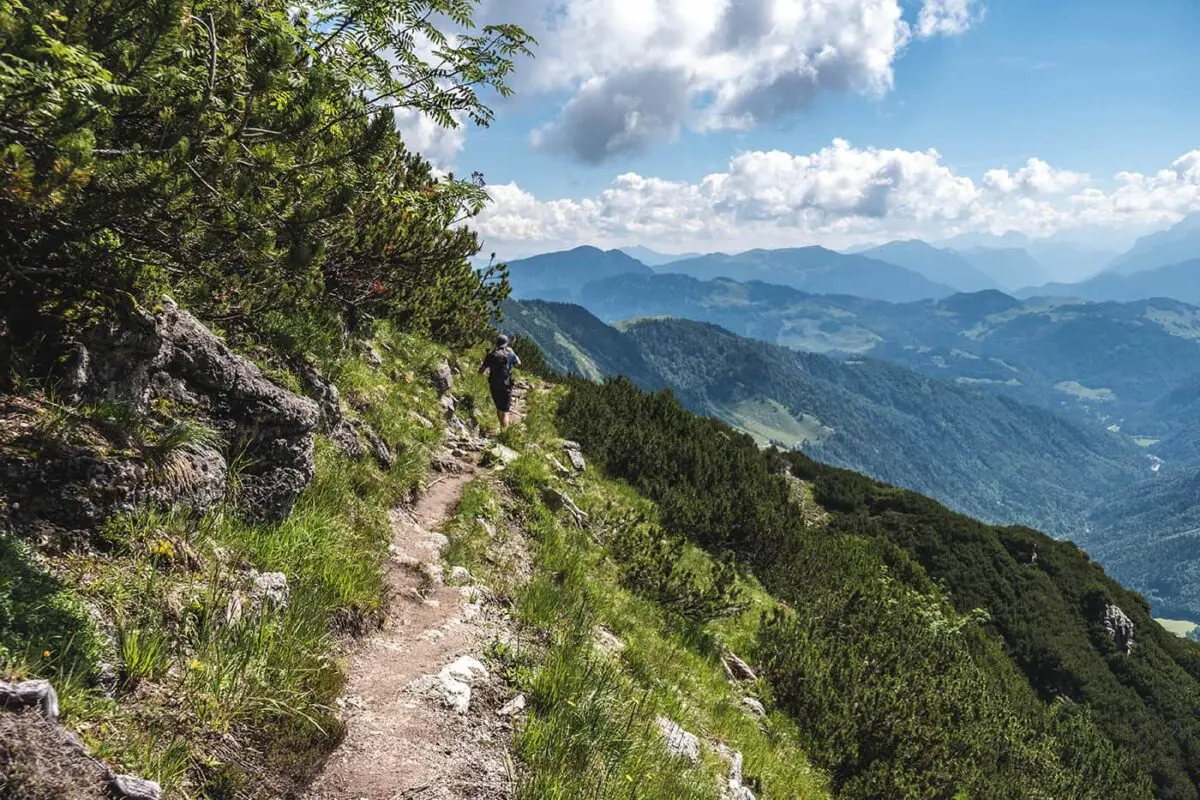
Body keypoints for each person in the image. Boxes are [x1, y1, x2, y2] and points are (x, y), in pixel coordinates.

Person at [478, 334, 521, 429]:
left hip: (494, 385)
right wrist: (513, 352)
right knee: (505, 411)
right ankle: (505, 433)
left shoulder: (492, 355)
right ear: (506, 344)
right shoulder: (510, 354)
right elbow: (518, 363)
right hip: (506, 385)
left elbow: (481, 370)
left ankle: (502, 427)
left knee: (499, 408)